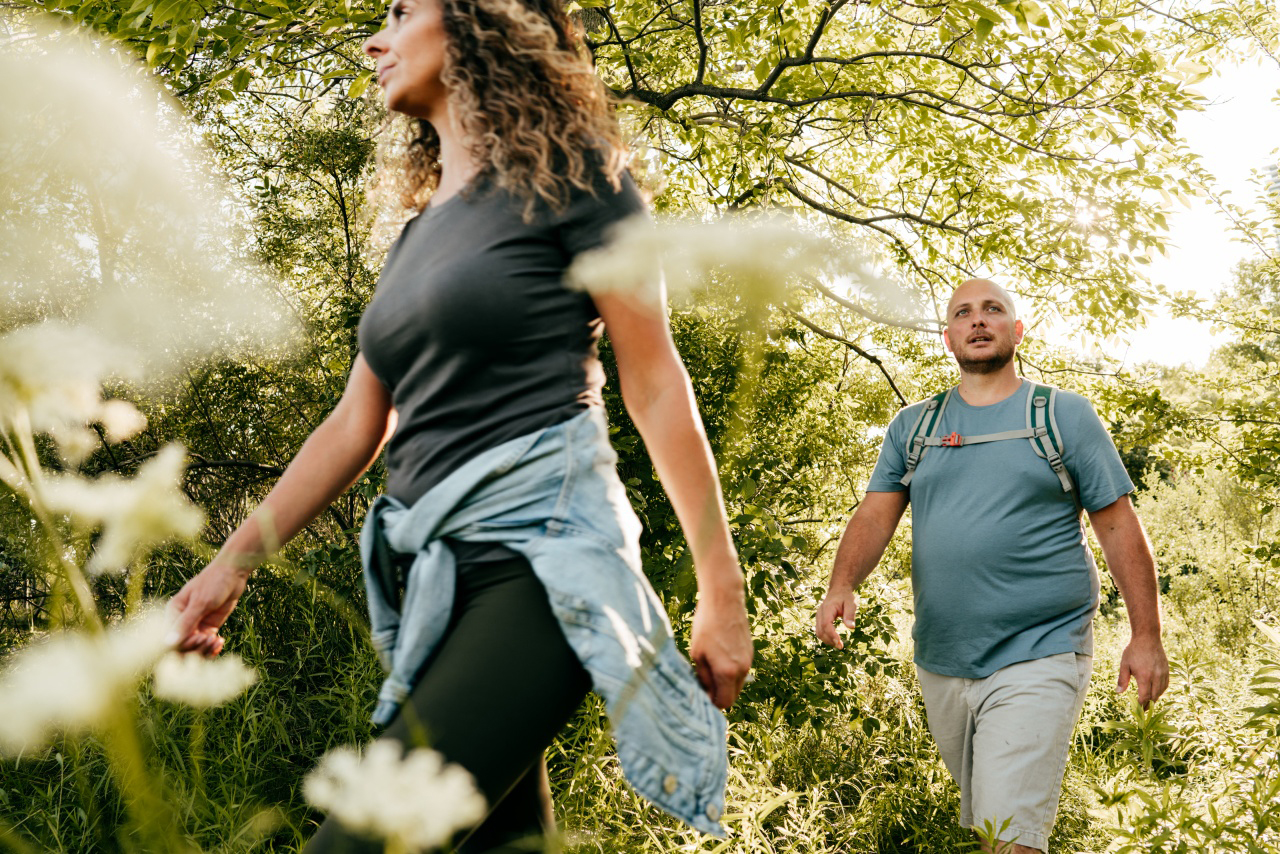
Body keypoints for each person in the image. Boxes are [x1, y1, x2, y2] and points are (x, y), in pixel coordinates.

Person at [165, 0, 753, 851]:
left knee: (361, 840)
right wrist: (228, 568)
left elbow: (655, 384)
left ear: (484, 22)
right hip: (437, 586)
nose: (377, 37)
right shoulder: (414, 240)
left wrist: (721, 591)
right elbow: (354, 425)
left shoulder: (579, 181)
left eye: (403, 11)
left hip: (542, 567)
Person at [814, 278, 1169, 853]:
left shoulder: (1063, 416)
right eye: (964, 313)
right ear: (949, 338)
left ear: (1016, 329)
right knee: (992, 825)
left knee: (1011, 834)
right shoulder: (915, 426)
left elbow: (1118, 526)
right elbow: (876, 515)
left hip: (1042, 648)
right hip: (943, 657)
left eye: (993, 310)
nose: (978, 321)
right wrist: (841, 583)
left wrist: (1146, 635)